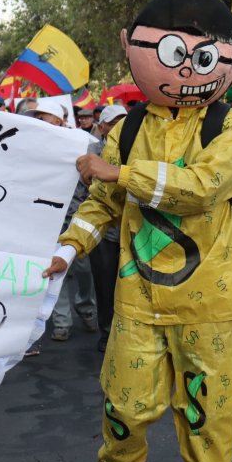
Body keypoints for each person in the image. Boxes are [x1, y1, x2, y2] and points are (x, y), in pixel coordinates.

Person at [49, 0, 232, 462]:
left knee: (207, 419)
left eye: (202, 56)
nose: (187, 68)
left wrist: (119, 172)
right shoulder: (128, 128)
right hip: (138, 299)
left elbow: (204, 188)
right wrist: (68, 248)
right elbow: (103, 203)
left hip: (211, 301)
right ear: (132, 47)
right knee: (124, 404)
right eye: (170, 54)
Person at [29, 98, 97, 344]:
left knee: (83, 271)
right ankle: (62, 322)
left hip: (78, 220)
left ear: (59, 120)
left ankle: (87, 307)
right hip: (47, 222)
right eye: (35, 117)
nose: (37, 121)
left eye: (42, 116)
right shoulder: (32, 146)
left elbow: (94, 182)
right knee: (57, 272)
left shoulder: (82, 145)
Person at [88, 104, 127, 352]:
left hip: (131, 234)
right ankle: (106, 333)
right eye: (113, 122)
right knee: (104, 287)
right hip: (102, 234)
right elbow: (81, 194)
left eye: (123, 121)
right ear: (101, 127)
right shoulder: (90, 152)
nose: (118, 127)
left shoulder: (138, 148)